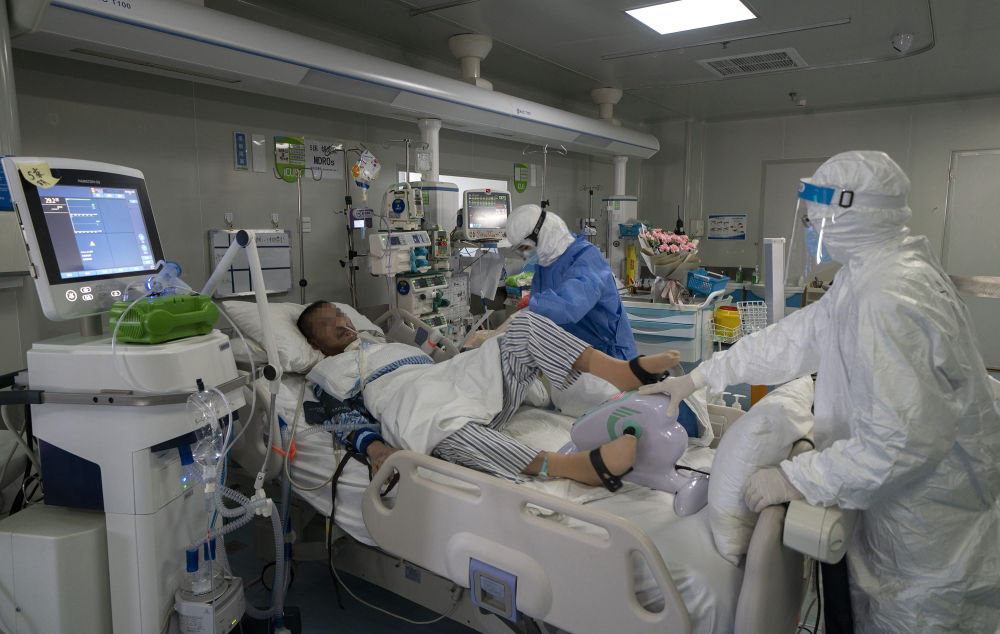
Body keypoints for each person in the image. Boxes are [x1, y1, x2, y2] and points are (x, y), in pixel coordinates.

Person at [640, 151, 1000, 632]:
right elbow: (795, 339)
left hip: (929, 543)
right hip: (905, 518)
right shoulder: (872, 274)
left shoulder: (888, 297)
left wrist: (797, 479)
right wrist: (700, 377)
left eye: (816, 216)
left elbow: (902, 442)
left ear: (852, 212)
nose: (810, 227)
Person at [297, 301, 680, 489]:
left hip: (447, 377)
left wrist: (473, 354)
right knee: (438, 428)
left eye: (340, 315)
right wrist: (375, 448)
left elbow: (445, 363)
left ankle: (621, 372)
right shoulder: (326, 374)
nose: (342, 323)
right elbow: (339, 418)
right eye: (328, 323)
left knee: (524, 325)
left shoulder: (390, 343)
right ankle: (575, 467)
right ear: (314, 343)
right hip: (407, 402)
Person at [506, 204, 637, 360]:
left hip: (609, 357)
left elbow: (570, 305)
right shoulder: (543, 267)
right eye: (520, 250)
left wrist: (532, 307)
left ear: (543, 234)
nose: (525, 255)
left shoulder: (587, 257)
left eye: (526, 248)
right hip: (573, 356)